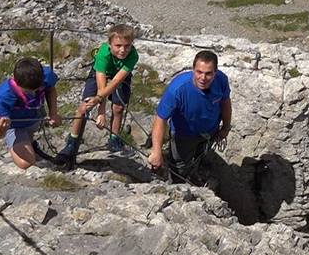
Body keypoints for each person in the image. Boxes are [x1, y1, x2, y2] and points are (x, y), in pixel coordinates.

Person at [54, 24, 139, 167]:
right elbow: (102, 84)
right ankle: (72, 140)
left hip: (120, 76)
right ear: (109, 44)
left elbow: (116, 81)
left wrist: (100, 106)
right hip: (98, 74)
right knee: (85, 105)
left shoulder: (133, 56)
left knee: (118, 108)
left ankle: (114, 138)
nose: (123, 50)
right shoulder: (103, 54)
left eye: (127, 46)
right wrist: (101, 111)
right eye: (118, 45)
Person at [148, 50, 231, 181]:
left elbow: (225, 102)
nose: (203, 78)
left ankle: (195, 172)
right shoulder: (178, 89)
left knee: (200, 154)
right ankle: (179, 186)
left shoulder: (221, 80)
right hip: (184, 135)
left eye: (208, 73)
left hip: (210, 131)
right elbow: (160, 119)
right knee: (179, 167)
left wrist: (226, 127)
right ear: (193, 69)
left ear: (215, 72)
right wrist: (156, 151)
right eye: (199, 72)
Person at [0, 57, 61, 170]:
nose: (33, 93)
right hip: (16, 126)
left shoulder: (47, 75)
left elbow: (50, 89)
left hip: (35, 117)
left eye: (36, 89)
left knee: (29, 139)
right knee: (26, 163)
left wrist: (53, 113)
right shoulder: (4, 96)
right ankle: (19, 144)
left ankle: (30, 143)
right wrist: (1, 128)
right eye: (28, 91)